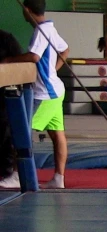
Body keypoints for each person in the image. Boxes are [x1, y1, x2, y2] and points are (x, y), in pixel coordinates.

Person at [2, 0, 69, 189]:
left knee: (21, 131)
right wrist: (53, 71)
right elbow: (65, 49)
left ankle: (17, 175)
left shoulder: (40, 31)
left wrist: (8, 60)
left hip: (44, 93)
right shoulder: (50, 28)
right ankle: (59, 178)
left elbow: (34, 56)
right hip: (56, 90)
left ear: (27, 10)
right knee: (57, 134)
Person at [0, 29, 24, 189]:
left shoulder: (6, 39)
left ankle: (7, 169)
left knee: (5, 129)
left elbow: (20, 60)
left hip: (3, 92)